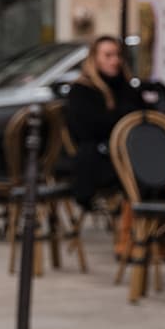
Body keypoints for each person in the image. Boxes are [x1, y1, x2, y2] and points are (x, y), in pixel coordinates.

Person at [65, 34, 144, 208]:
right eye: (108, 55)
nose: (115, 60)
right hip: (101, 160)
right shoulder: (82, 89)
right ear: (95, 59)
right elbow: (86, 130)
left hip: (133, 154)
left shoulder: (125, 86)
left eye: (117, 55)